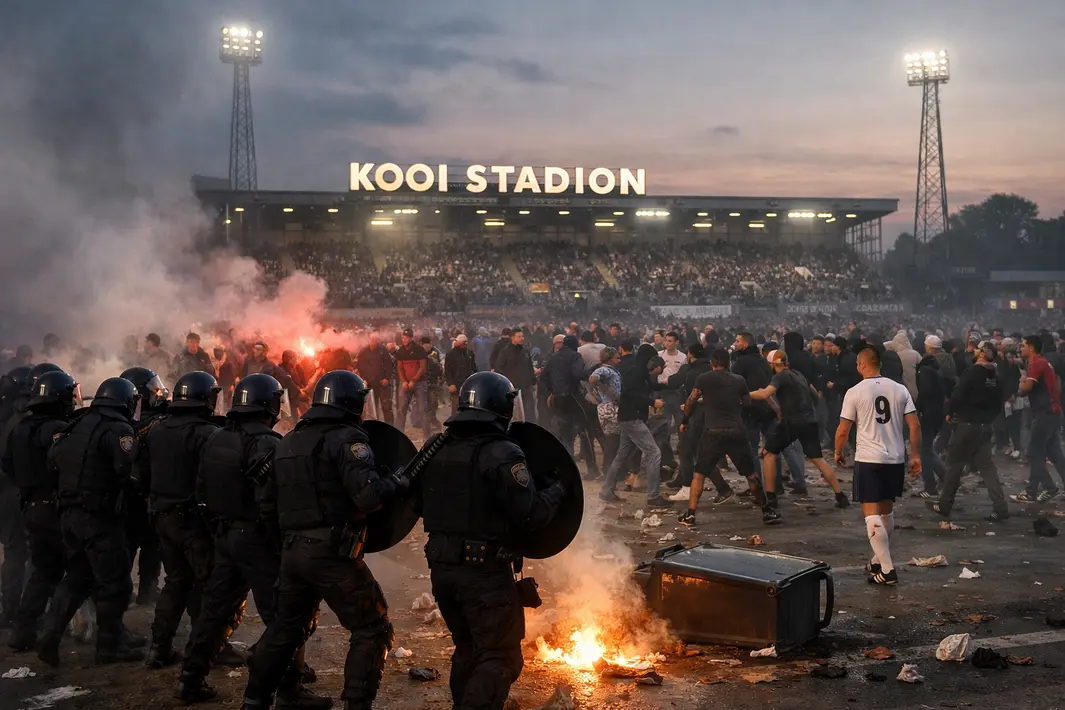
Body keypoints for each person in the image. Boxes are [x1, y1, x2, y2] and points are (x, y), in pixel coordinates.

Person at [240, 370, 407, 710]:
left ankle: (254, 701)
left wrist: (286, 546)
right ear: (354, 402)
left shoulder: (287, 441)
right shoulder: (347, 440)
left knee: (284, 630)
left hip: (292, 552)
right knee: (372, 628)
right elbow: (368, 497)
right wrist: (396, 483)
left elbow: (267, 506)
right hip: (332, 554)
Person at [413, 371, 566, 709]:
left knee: (468, 647)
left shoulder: (434, 447)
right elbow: (529, 515)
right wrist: (557, 491)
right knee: (500, 657)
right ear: (501, 406)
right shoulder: (502, 452)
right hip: (483, 574)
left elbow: (414, 504)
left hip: (442, 569)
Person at [178, 374, 324, 708]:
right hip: (257, 540)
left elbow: (200, 491)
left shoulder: (216, 438)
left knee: (214, 612)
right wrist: (278, 544)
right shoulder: (268, 443)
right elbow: (272, 503)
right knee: (284, 617)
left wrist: (218, 528)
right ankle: (290, 688)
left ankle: (191, 679)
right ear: (270, 404)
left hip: (226, 536)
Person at [37, 377, 143, 666]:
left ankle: (49, 636)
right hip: (98, 517)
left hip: (69, 515)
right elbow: (124, 468)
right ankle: (109, 648)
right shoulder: (118, 429)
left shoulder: (75, 425)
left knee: (78, 577)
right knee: (115, 584)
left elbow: (53, 462)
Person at [142, 372, 223, 668]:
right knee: (209, 585)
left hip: (163, 517)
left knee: (176, 583)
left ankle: (159, 648)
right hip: (193, 521)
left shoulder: (156, 429)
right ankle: (211, 647)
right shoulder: (207, 434)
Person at [2, 370, 79, 650]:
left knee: (42, 572)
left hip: (30, 507)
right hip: (56, 509)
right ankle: (53, 630)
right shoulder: (59, 430)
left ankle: (23, 632)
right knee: (77, 571)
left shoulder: (20, 428)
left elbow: (8, 464)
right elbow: (69, 468)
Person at [833, 348, 921, 586]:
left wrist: (838, 452)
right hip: (895, 459)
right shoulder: (899, 389)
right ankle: (877, 560)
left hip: (869, 459)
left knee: (871, 515)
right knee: (886, 511)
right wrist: (916, 455)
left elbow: (843, 429)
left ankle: (888, 570)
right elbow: (914, 425)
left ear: (861, 365)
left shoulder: (855, 392)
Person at [678, 349, 772, 525]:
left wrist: (685, 420)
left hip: (713, 432)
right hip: (736, 431)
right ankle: (767, 511)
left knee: (699, 475)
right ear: (728, 363)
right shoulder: (739, 380)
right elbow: (747, 403)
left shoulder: (704, 378)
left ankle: (690, 515)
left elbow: (690, 401)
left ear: (713, 363)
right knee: (750, 474)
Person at [750, 350, 849, 515]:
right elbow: (816, 396)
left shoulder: (780, 376)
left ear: (772, 364)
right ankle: (840, 496)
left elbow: (766, 393)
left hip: (792, 422)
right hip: (809, 421)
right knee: (818, 459)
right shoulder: (799, 374)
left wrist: (746, 394)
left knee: (769, 454)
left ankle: (770, 497)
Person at [928, 344, 1010, 523]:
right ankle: (1001, 507)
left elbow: (957, 395)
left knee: (954, 465)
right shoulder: (995, 376)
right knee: (987, 468)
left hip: (967, 425)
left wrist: (949, 412)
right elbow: (999, 404)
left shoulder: (971, 373)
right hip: (985, 426)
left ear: (981, 354)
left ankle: (944, 505)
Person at [120, 366, 168, 606]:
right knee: (133, 544)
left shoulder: (151, 418)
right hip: (135, 494)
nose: (156, 392)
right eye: (151, 388)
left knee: (149, 544)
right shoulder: (128, 423)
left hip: (142, 493)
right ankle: (129, 590)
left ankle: (145, 589)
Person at [599, 344, 670, 507]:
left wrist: (668, 382)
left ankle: (606, 491)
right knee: (654, 453)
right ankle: (653, 496)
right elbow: (630, 393)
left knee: (621, 455)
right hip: (632, 419)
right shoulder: (635, 372)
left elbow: (649, 387)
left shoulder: (641, 373)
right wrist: (653, 402)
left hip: (628, 418)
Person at [1016, 335, 1065, 502]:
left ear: (1031, 348)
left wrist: (1021, 382)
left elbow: (1025, 389)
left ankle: (1036, 491)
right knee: (1055, 453)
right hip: (1053, 412)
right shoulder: (1043, 362)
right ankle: (1048, 488)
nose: (1020, 348)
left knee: (1033, 453)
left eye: (1023, 345)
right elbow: (1056, 382)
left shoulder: (1036, 363)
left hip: (1045, 413)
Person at [494, 328, 537, 425]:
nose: (522, 338)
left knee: (529, 413)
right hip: (512, 389)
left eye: (522, 336)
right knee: (514, 415)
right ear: (513, 338)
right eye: (519, 336)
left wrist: (533, 382)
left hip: (526, 387)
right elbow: (499, 368)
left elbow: (530, 367)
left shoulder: (525, 351)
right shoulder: (505, 352)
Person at [396, 327, 430, 436]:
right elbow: (400, 368)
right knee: (401, 409)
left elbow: (422, 368)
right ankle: (398, 435)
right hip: (406, 382)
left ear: (411, 338)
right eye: (403, 337)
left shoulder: (419, 349)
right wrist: (404, 381)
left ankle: (427, 436)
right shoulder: (400, 351)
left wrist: (414, 381)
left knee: (423, 410)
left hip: (419, 383)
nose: (404, 339)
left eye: (406, 337)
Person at [356, 332, 395, 425]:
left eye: (375, 339)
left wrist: (387, 378)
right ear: (369, 340)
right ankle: (373, 426)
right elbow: (360, 367)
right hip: (369, 384)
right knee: (371, 408)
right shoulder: (364, 351)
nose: (373, 341)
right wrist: (363, 379)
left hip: (382, 383)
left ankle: (390, 426)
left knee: (386, 406)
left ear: (378, 340)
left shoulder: (383, 350)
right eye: (371, 339)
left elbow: (389, 365)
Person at [444, 334, 477, 414]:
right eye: (463, 342)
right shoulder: (450, 354)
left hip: (469, 383)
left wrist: (476, 380)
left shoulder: (470, 353)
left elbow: (474, 368)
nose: (464, 344)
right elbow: (447, 371)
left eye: (466, 342)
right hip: (456, 384)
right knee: (456, 407)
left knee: (470, 406)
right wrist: (450, 384)